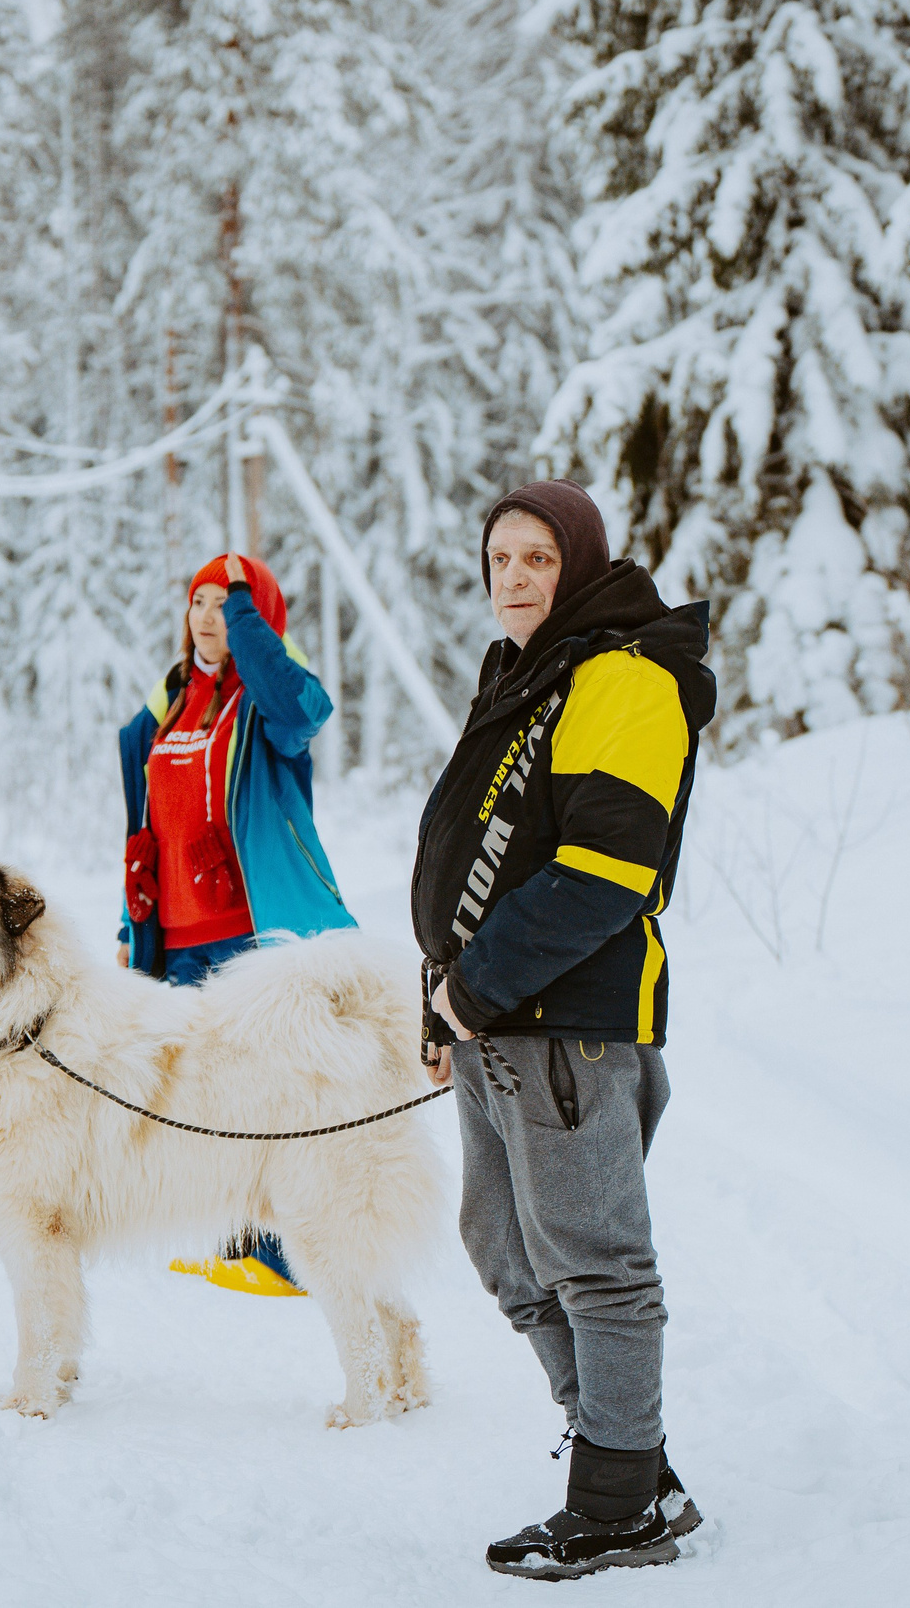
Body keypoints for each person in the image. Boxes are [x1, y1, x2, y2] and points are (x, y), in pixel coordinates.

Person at [411, 481, 717, 1578]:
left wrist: (475, 989)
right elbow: (477, 856)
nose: (513, 577)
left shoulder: (622, 676)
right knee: (504, 1247)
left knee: (596, 1260)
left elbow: (604, 872)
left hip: (566, 1022)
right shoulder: (530, 673)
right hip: (493, 1018)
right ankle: (630, 1462)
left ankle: (618, 1503)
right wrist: (443, 999)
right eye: (499, 559)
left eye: (537, 558)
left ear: (579, 564)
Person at [117, 550, 356, 1297]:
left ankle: (287, 1254)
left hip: (254, 932)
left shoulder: (269, 702)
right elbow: (148, 826)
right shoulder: (169, 704)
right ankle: (231, 1238)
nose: (209, 617)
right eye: (199, 602)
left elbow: (303, 709)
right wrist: (130, 924)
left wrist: (253, 624)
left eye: (227, 605)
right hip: (178, 940)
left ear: (256, 619)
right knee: (201, 1095)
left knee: (273, 1092)